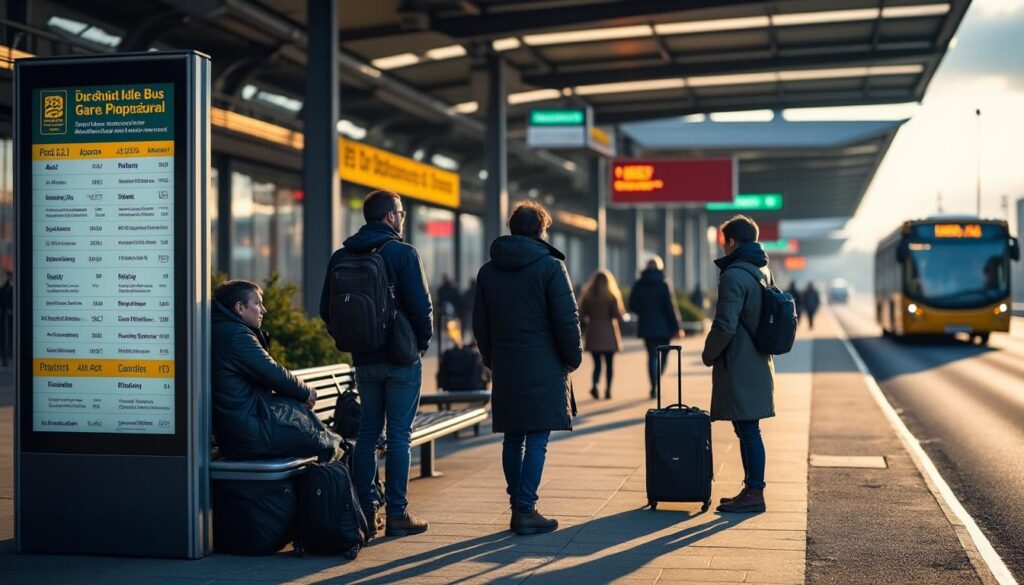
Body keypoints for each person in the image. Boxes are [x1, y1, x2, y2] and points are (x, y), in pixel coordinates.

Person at [319, 189, 433, 538]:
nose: (402, 218)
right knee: (399, 435)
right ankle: (397, 514)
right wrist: (419, 345)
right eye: (401, 213)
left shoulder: (341, 255)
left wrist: (357, 340)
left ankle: (366, 511)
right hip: (401, 358)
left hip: (364, 359)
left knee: (368, 432)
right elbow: (422, 308)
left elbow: (326, 310)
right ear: (390, 216)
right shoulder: (403, 253)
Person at [473, 200, 582, 535]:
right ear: (540, 230)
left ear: (512, 228)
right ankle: (525, 508)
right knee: (537, 437)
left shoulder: (488, 271)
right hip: (543, 364)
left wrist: (491, 358)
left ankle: (517, 505)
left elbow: (480, 324)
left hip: (506, 364)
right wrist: (573, 357)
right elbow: (567, 320)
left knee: (513, 437)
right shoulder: (551, 267)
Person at [211, 280, 341, 462]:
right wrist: (306, 393)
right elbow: (272, 372)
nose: (263, 310)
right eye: (257, 303)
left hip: (243, 427)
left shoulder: (224, 329)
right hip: (249, 433)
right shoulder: (235, 335)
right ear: (240, 308)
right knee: (331, 444)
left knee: (329, 440)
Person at [701, 215, 775, 514]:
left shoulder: (733, 275)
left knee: (748, 429)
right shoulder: (761, 270)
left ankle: (755, 491)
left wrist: (708, 354)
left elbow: (724, 325)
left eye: (724, 242)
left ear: (730, 241)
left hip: (740, 361)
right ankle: (751, 489)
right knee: (747, 428)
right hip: (757, 358)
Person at [628, 256, 682, 399]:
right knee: (663, 356)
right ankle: (657, 380)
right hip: (664, 327)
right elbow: (670, 307)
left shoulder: (639, 284)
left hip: (647, 326)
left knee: (652, 356)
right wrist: (677, 328)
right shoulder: (663, 283)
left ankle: (653, 386)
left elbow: (632, 305)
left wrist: (644, 312)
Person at [578, 269, 625, 400]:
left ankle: (595, 384)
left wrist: (583, 328)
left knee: (597, 364)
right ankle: (608, 390)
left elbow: (580, 316)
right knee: (609, 364)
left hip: (593, 333)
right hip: (609, 333)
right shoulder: (611, 296)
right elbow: (618, 316)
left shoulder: (587, 297)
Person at [0, 272, 12, 367]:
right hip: (4, 317)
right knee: (4, 337)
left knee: (6, 337)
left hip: (7, 317)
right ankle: (4, 358)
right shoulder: (4, 289)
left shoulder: (9, 289)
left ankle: (5, 358)